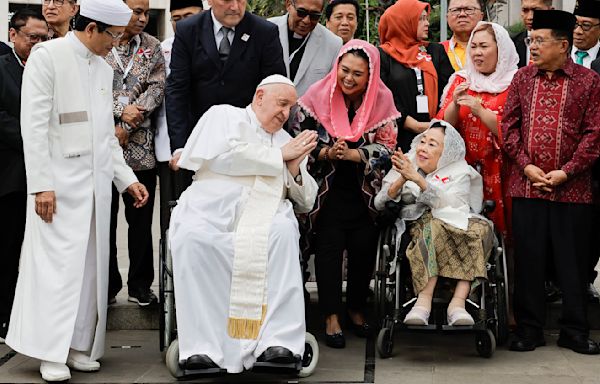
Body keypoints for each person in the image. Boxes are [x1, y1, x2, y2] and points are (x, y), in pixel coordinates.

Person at [5, 0, 150, 381]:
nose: (116, 45)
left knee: (89, 272)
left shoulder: (102, 68)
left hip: (95, 189)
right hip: (55, 189)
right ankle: (48, 352)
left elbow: (105, 137)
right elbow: (32, 126)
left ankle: (76, 346)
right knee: (55, 272)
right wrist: (41, 185)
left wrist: (127, 180)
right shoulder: (47, 56)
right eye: (113, 36)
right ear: (91, 29)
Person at [169, 75, 318, 373]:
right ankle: (202, 350)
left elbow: (306, 200)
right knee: (194, 239)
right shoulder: (223, 115)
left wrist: (292, 169)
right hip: (210, 204)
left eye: (291, 107)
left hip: (266, 208)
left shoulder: (287, 141)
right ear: (260, 96)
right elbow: (222, 158)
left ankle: (277, 344)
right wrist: (278, 157)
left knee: (282, 233)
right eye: (282, 103)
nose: (286, 113)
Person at [289, 40, 399, 349]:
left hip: (365, 194)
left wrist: (356, 155)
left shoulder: (382, 99)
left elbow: (388, 148)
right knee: (329, 253)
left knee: (363, 250)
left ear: (371, 75)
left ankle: (355, 308)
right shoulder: (316, 96)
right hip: (327, 192)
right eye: (344, 70)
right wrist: (326, 152)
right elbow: (300, 142)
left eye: (358, 74)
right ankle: (330, 315)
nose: (348, 79)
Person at [503, 10, 600, 355]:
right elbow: (508, 128)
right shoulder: (521, 79)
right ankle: (529, 330)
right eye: (531, 40)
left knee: (572, 262)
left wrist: (567, 171)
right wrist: (527, 167)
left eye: (539, 40)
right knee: (529, 259)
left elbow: (594, 134)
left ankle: (574, 330)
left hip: (572, 189)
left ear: (563, 44)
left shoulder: (589, 81)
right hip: (527, 186)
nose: (533, 46)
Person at [375, 120, 494, 327]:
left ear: (446, 152)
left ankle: (458, 303)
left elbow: (453, 204)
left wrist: (420, 181)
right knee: (433, 226)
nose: (423, 148)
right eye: (423, 141)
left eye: (432, 144)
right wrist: (404, 178)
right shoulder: (408, 162)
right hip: (418, 221)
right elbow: (379, 202)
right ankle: (423, 302)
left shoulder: (459, 171)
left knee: (481, 229)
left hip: (457, 221)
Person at [166, 0, 286, 193]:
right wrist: (180, 147)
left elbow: (275, 87)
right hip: (200, 139)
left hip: (247, 140)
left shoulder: (264, 32)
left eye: (241, 0)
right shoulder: (188, 30)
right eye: (227, 0)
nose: (235, 7)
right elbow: (177, 90)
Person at [104, 0, 166, 307]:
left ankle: (141, 285)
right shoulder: (102, 38)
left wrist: (128, 125)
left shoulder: (152, 47)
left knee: (140, 220)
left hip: (140, 147)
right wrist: (117, 115)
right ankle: (107, 285)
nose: (142, 18)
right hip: (103, 145)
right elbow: (94, 88)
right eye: (135, 11)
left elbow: (156, 89)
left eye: (145, 12)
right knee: (105, 221)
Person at [437, 22, 518, 240]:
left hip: (503, 171)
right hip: (465, 171)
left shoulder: (516, 83)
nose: (477, 53)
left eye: (484, 46)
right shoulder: (462, 80)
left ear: (500, 49)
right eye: (473, 46)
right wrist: (454, 103)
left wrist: (480, 110)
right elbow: (445, 126)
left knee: (506, 235)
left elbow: (517, 132)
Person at [0, 9, 48, 344]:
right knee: (6, 250)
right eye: (33, 37)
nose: (39, 44)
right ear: (13, 34)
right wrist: (33, 141)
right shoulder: (2, 69)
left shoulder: (48, 67)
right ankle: (4, 316)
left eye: (44, 38)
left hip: (48, 177)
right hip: (11, 175)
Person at [378, 0, 454, 153]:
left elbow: (450, 88)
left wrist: (437, 124)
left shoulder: (435, 51)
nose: (427, 23)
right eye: (420, 19)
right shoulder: (383, 55)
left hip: (436, 134)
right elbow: (381, 94)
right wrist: (410, 123)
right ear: (403, 22)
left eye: (426, 18)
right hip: (399, 134)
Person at [155, 0, 203, 237]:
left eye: (189, 16)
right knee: (172, 217)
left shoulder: (217, 45)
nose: (183, 24)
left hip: (209, 147)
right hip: (172, 146)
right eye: (177, 19)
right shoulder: (163, 49)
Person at [269, 0, 343, 96]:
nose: (306, 20)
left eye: (314, 16)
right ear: (288, 4)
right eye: (301, 12)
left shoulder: (333, 43)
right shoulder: (266, 31)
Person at [440, 0, 484, 71]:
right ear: (447, 18)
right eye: (455, 10)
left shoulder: (497, 49)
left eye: (469, 9)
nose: (462, 14)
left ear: (481, 16)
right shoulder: (435, 52)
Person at [512, 0, 553, 68]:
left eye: (536, 10)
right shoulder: (512, 43)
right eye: (525, 10)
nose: (530, 17)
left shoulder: (561, 44)